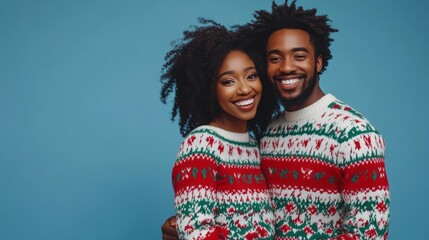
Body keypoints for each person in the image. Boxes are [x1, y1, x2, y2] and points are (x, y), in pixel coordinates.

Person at [162, 1, 390, 239]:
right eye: (275, 58)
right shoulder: (269, 134)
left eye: (299, 56)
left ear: (319, 61)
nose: (287, 67)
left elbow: (369, 234)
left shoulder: (355, 135)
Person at [160, 19, 279, 239]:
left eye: (251, 76)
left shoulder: (254, 146)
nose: (245, 89)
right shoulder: (200, 146)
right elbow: (197, 231)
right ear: (208, 89)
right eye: (228, 81)